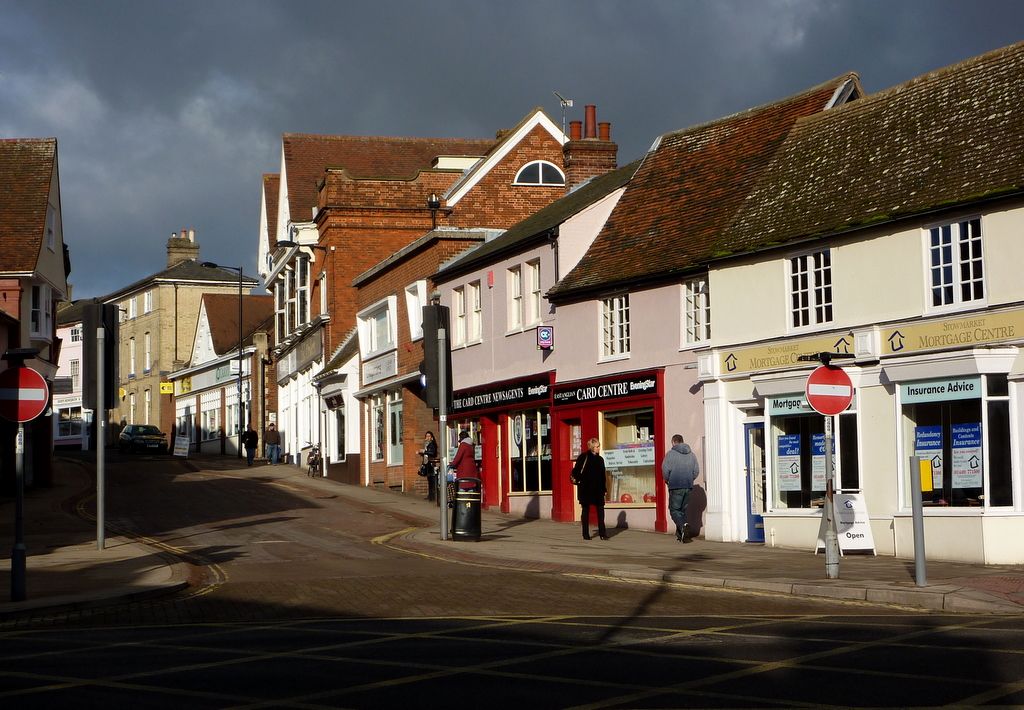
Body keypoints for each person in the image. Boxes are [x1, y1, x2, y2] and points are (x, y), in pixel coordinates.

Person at [662, 433, 700, 542]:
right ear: (682, 441)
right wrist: (689, 478)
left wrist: (668, 479)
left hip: (675, 486)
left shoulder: (670, 454)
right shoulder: (691, 455)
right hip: (688, 486)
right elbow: (696, 471)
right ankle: (681, 535)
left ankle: (683, 526)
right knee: (682, 511)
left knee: (674, 510)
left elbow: (665, 470)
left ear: (674, 442)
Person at [572, 437, 608, 540]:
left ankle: (602, 533)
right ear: (592, 447)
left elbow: (602, 476)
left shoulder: (600, 459)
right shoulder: (583, 457)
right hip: (586, 488)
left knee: (601, 511)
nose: (598, 448)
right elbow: (576, 471)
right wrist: (581, 480)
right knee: (585, 510)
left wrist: (604, 489)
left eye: (599, 446)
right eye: (597, 446)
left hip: (598, 489)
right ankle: (585, 534)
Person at [417, 431, 438, 501]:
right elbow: (427, 453)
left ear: (432, 437)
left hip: (431, 463)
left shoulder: (432, 444)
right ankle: (430, 495)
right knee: (429, 479)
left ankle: (432, 496)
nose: (428, 438)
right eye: (426, 436)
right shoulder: (427, 444)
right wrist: (421, 453)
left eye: (429, 436)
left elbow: (432, 453)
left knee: (432, 479)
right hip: (427, 463)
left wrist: (424, 451)